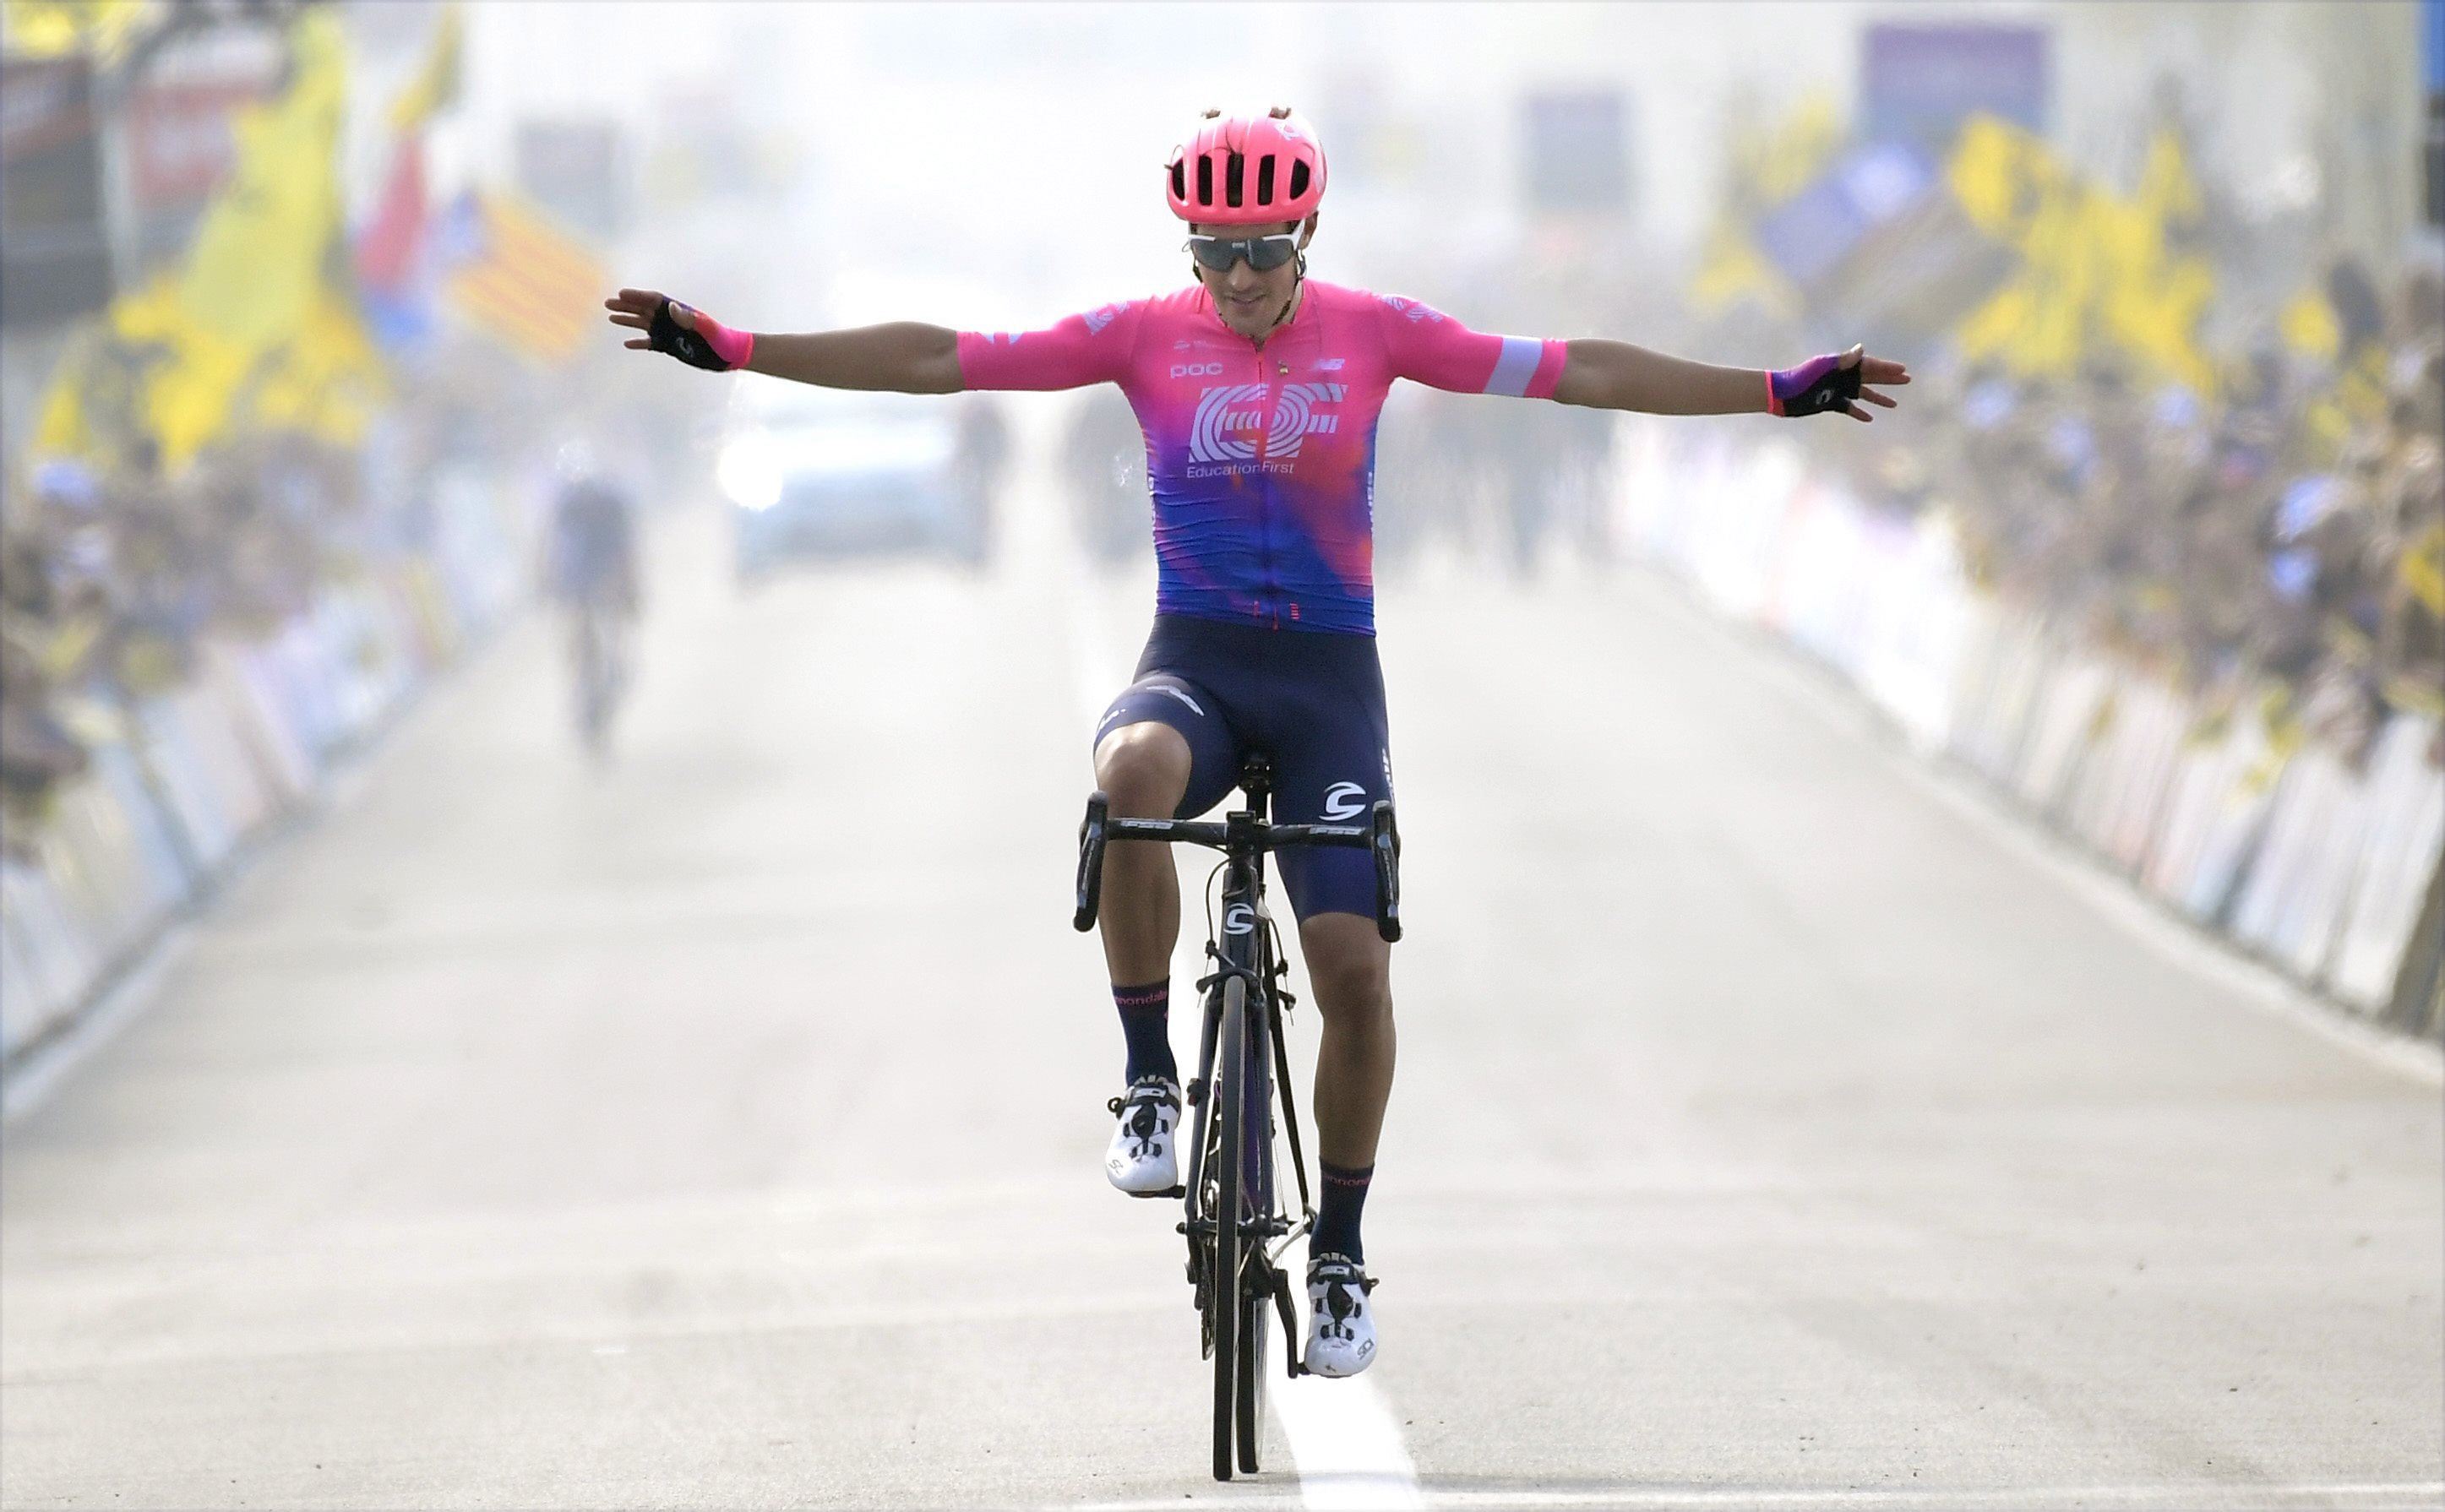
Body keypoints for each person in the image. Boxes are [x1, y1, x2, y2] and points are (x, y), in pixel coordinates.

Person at [607, 106, 1907, 1379]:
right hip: (1199, 663)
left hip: (1330, 683)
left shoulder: (1379, 332)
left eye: (1261, 252)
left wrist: (1775, 392)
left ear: (1305, 236)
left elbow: (1585, 373)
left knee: (1353, 974)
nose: (1235, 278)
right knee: (1128, 777)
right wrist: (738, 347)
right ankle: (1148, 1082)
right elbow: (937, 357)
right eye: (1212, 252)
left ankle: (1337, 1251)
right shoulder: (1138, 337)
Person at [542, 441, 640, 754]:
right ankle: (582, 679)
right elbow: (553, 547)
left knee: (612, 620)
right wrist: (549, 581)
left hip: (608, 566)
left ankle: (615, 665)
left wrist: (630, 589)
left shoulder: (612, 501)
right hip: (580, 572)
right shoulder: (565, 502)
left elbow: (626, 549)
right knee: (578, 630)